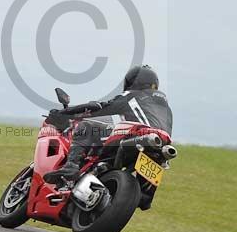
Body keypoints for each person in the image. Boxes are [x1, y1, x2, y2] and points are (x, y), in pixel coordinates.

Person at [43, 65, 173, 185]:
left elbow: (98, 108)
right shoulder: (166, 107)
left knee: (87, 127)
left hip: (138, 135)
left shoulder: (132, 95)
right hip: (162, 145)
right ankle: (145, 192)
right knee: (144, 197)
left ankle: (71, 166)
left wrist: (64, 113)